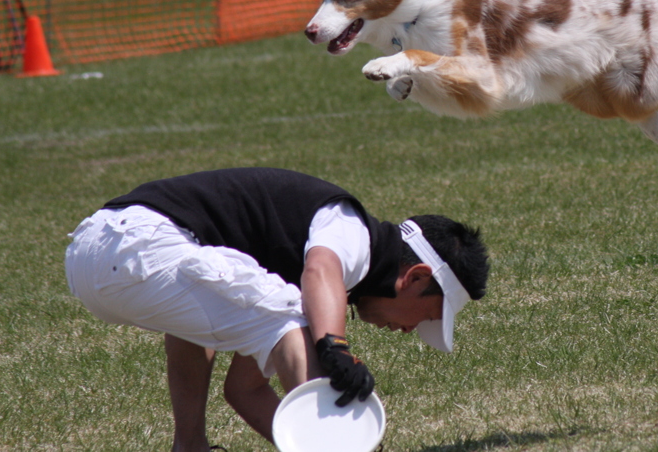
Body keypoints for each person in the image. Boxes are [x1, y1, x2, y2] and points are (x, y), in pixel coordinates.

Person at [64, 167, 489, 452]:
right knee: (292, 320)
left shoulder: (315, 267)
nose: (411, 331)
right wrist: (334, 348)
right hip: (136, 245)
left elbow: (244, 391)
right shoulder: (352, 230)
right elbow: (321, 270)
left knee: (217, 317)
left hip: (99, 252)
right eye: (429, 316)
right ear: (414, 277)